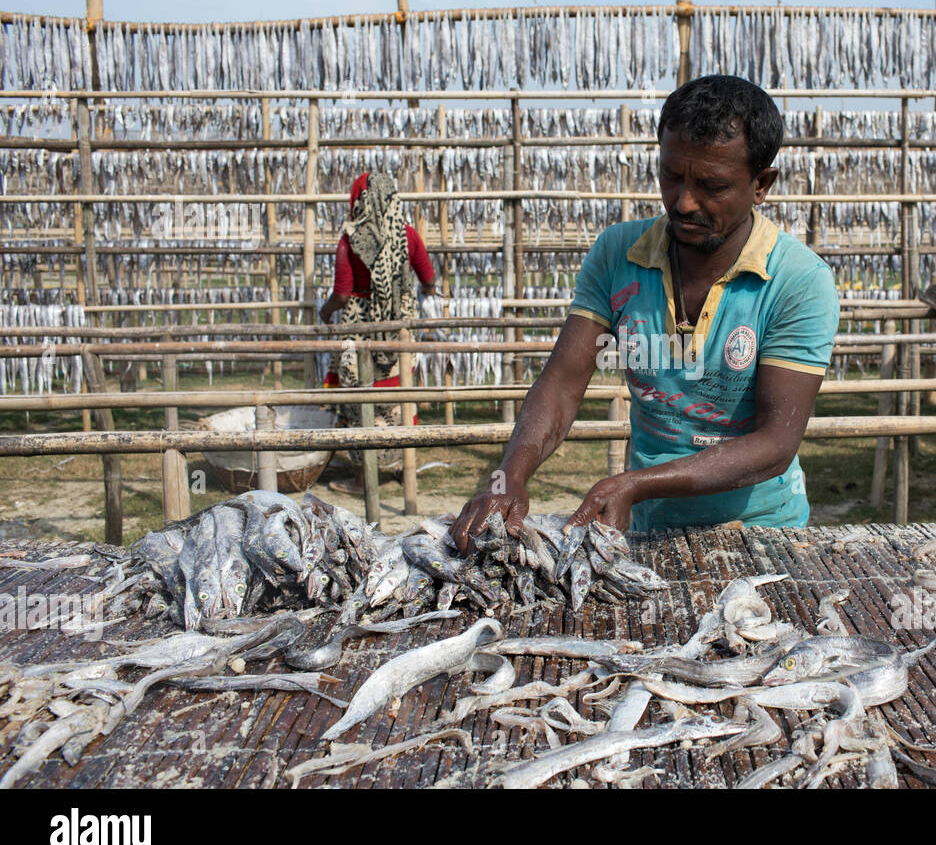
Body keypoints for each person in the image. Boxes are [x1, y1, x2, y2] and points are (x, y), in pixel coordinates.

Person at [451, 75, 840, 551]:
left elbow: (777, 442)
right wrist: (507, 477)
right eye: (672, 175)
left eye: (712, 186)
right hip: (648, 527)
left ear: (761, 184)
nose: (684, 202)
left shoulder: (798, 280)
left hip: (763, 531)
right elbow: (561, 385)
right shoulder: (619, 253)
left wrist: (637, 484)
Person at [320, 171, 438, 494]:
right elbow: (428, 279)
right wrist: (420, 292)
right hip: (399, 327)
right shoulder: (408, 236)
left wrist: (326, 311)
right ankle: (403, 465)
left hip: (359, 329)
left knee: (360, 396)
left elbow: (342, 294)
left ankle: (363, 477)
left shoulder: (350, 240)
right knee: (399, 393)